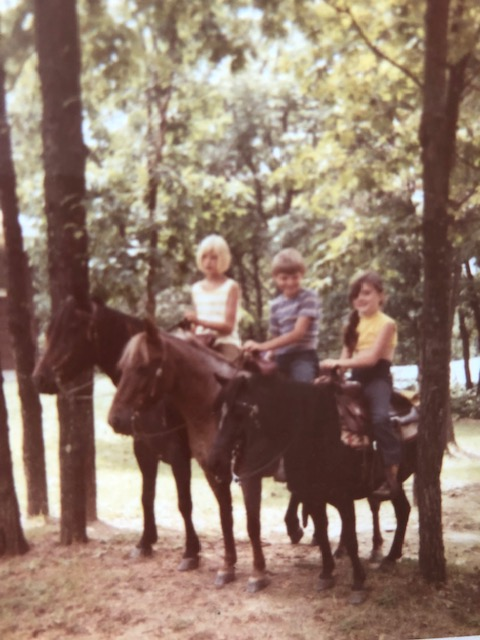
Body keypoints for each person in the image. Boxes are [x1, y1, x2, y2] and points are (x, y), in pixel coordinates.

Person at [320, 271, 401, 498]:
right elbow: (345, 358)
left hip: (377, 378)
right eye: (356, 295)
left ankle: (390, 473)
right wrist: (333, 372)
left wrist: (339, 361)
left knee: (379, 418)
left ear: (381, 296)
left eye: (367, 293)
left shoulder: (387, 324)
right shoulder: (353, 323)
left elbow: (373, 358)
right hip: (354, 378)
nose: (361, 298)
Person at [243, 248, 321, 383]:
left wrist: (262, 346)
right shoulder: (275, 305)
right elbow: (276, 337)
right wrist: (266, 355)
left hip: (302, 356)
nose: (290, 282)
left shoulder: (309, 297)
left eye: (295, 277)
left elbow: (298, 334)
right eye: (284, 278)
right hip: (280, 357)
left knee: (302, 389)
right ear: (275, 278)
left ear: (302, 274)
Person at [185, 234, 242, 364]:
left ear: (223, 259)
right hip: (201, 343)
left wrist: (199, 321)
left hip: (225, 343)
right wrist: (190, 325)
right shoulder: (196, 288)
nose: (207, 262)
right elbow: (197, 325)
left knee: (226, 374)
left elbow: (228, 327)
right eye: (204, 257)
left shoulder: (231, 286)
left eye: (214, 258)